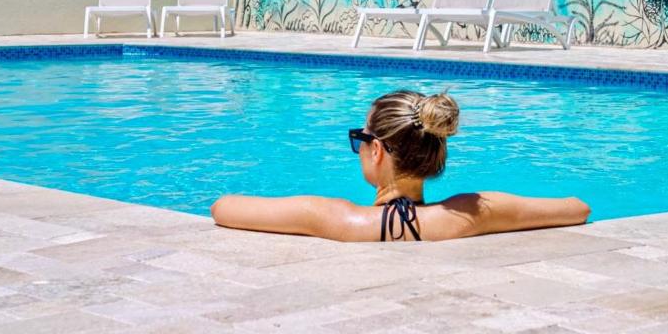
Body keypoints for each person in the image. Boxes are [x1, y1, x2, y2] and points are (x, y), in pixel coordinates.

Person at [211, 90, 590, 241]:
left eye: (360, 140)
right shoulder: (470, 214)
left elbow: (223, 207)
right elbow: (576, 208)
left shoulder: (337, 219)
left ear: (376, 150)